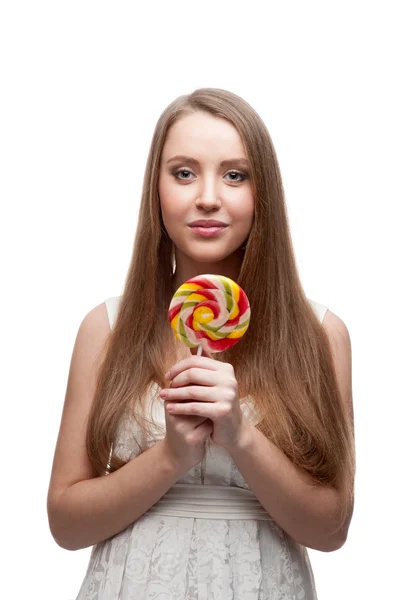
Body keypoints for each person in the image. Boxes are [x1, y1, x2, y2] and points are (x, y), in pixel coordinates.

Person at [47, 88, 355, 599]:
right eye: (184, 172)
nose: (207, 196)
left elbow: (331, 530)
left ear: (264, 193)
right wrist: (170, 455)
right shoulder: (106, 327)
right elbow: (65, 525)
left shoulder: (320, 335)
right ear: (157, 190)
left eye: (235, 174)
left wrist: (240, 435)